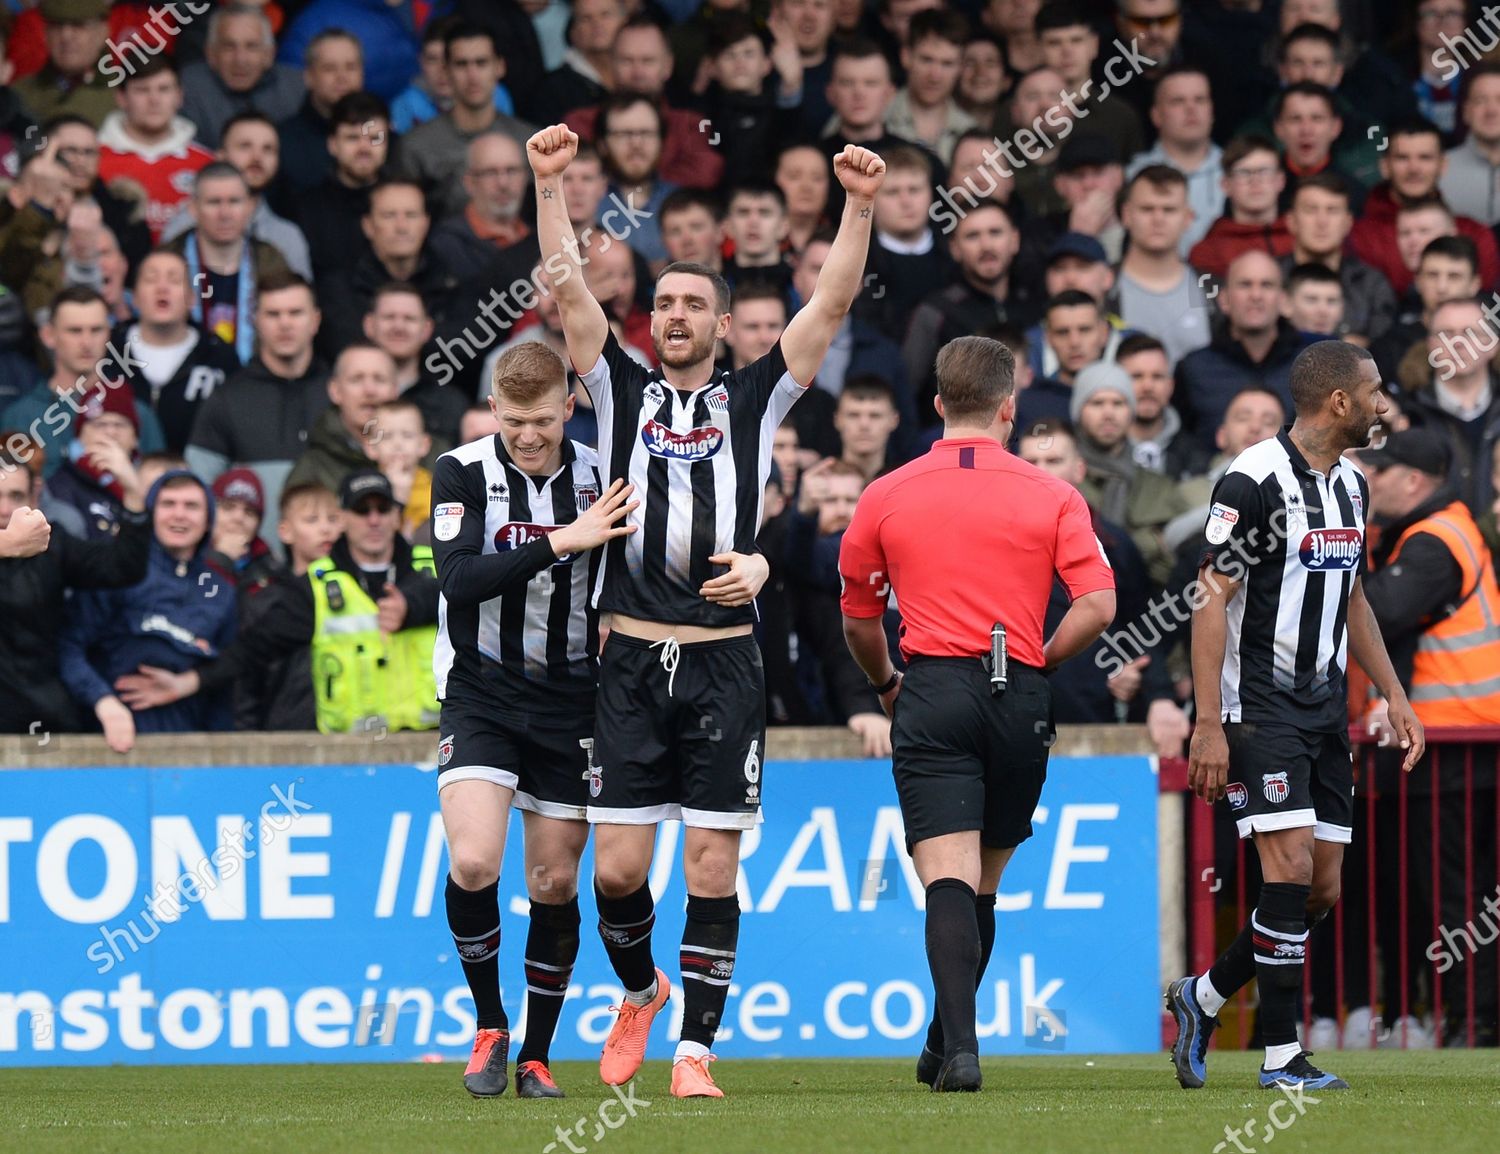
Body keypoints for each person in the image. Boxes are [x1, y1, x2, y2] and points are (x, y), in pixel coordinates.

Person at [529, 120, 884, 1098]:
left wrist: (858, 205)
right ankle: (639, 989)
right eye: (666, 302)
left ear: (726, 325)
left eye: (696, 303)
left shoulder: (757, 398)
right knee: (616, 874)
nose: (677, 314)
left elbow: (835, 297)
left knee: (714, 868)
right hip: (633, 660)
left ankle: (695, 1050)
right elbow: (566, 287)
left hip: (726, 658)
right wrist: (550, 185)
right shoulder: (617, 387)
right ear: (647, 319)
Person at [838, 334, 1116, 1092]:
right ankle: (947, 1043)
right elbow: (1097, 604)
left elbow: (860, 619)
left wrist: (887, 682)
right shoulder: (1054, 493)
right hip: (1018, 691)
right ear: (1009, 408)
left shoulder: (886, 492)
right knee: (983, 883)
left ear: (935, 405)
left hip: (934, 687)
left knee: (948, 882)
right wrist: (1041, 658)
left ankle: (955, 1046)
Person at [1168, 340, 1424, 1093]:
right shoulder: (1252, 480)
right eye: (1375, 392)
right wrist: (1209, 722)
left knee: (1319, 889)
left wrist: (1394, 693)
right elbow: (1209, 597)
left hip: (1322, 712)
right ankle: (1282, 1060)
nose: (1385, 404)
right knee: (1284, 870)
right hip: (1260, 710)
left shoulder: (1352, 485)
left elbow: (1353, 598)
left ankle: (1203, 996)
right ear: (1339, 401)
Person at [428, 341, 637, 1099]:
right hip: (482, 691)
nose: (527, 435)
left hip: (574, 700)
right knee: (474, 862)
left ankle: (537, 1057)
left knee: (552, 880)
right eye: (513, 420)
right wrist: (560, 541)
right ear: (493, 410)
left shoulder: (601, 476)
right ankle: (489, 1025)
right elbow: (457, 580)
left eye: (542, 421)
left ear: (568, 409)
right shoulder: (461, 471)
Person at [116, 470, 443, 736]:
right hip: (349, 753)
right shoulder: (314, 587)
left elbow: (481, 597)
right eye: (362, 509)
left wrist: (416, 606)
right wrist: (185, 684)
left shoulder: (434, 567)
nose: (374, 520)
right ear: (343, 518)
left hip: (434, 746)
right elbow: (252, 650)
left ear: (397, 516)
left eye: (383, 509)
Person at [59, 469, 238, 751]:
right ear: (151, 514)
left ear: (208, 522)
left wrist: (222, 750)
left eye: (191, 506)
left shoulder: (220, 592)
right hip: (109, 746)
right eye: (168, 504)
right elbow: (67, 647)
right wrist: (103, 702)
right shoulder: (118, 571)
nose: (179, 515)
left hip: (188, 756)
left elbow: (224, 684)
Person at [0, 443, 149, 737]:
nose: (4, 508)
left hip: (44, 719)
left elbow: (122, 567)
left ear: (36, 494)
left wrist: (133, 493)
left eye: (15, 496)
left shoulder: (53, 546)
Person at [97, 56, 216, 243]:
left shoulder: (207, 164)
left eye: (164, 89)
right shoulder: (94, 159)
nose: (154, 100)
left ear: (179, 96)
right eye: (142, 90)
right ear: (121, 97)